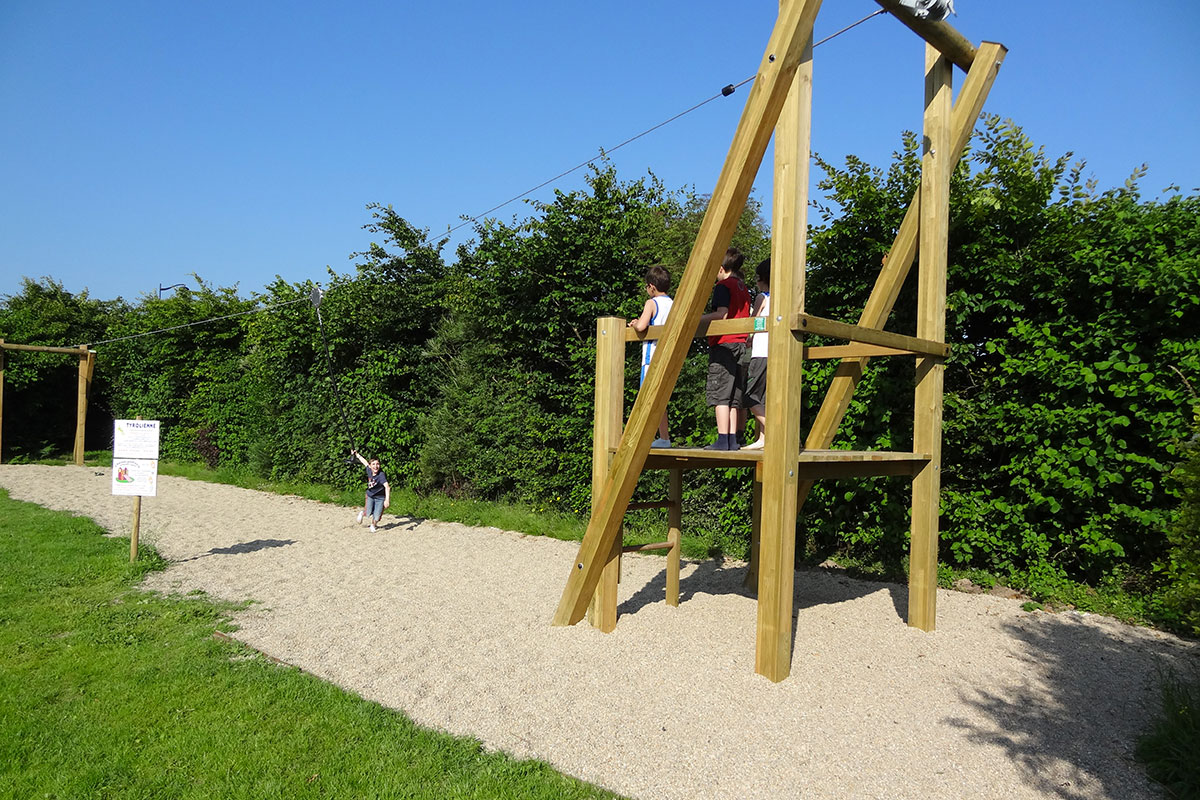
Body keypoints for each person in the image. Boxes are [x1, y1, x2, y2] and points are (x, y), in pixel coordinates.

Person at [699, 247, 751, 450]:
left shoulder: (723, 286)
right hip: (740, 343)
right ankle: (731, 439)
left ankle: (722, 439)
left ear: (721, 268)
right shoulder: (742, 287)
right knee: (733, 396)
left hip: (724, 344)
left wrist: (697, 320)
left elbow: (722, 314)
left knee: (720, 393)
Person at [627, 265, 675, 447]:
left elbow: (641, 327)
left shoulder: (651, 303)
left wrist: (636, 324)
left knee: (646, 398)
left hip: (651, 358)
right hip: (668, 357)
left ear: (652, 286)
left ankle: (642, 436)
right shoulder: (673, 304)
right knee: (660, 399)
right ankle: (663, 437)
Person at [743, 258, 770, 450]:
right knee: (765, 398)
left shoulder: (762, 297)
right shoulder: (783, 298)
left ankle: (774, 432)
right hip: (775, 351)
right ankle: (763, 438)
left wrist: (748, 337)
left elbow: (751, 322)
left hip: (760, 352)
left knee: (749, 396)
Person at [351, 449, 390, 532]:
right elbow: (364, 462)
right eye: (373, 464)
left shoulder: (381, 475)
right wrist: (357, 455)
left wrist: (387, 500)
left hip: (380, 497)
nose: (376, 466)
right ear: (370, 466)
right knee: (368, 512)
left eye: (377, 464)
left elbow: (387, 487)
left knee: (377, 514)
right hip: (370, 495)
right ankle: (362, 513)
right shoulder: (369, 470)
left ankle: (373, 525)